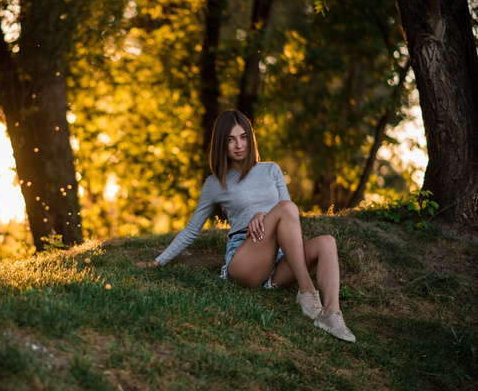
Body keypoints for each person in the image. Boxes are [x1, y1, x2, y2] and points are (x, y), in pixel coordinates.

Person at [136, 110, 356, 343]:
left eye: (243, 137)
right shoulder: (214, 183)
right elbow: (192, 229)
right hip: (245, 258)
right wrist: (158, 261)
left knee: (326, 242)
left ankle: (331, 314)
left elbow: (290, 214)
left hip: (280, 258)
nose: (239, 145)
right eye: (231, 139)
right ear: (222, 144)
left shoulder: (271, 169)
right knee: (285, 208)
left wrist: (264, 214)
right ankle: (307, 292)